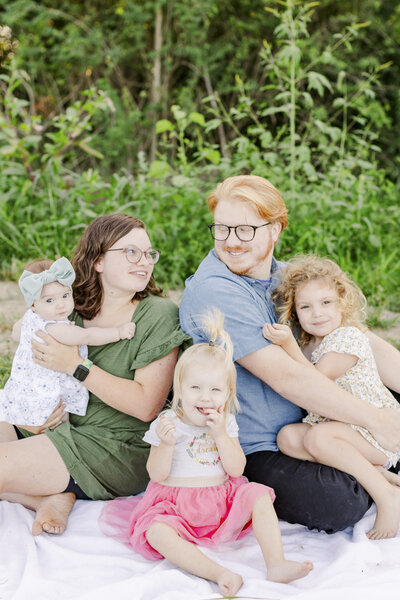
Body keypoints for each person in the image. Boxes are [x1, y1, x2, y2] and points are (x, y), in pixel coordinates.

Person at [179, 174, 400, 533]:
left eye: (245, 230)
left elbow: (355, 338)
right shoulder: (214, 292)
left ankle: (371, 459)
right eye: (222, 229)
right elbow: (288, 379)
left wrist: (386, 416)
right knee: (338, 502)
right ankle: (374, 469)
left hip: (323, 419)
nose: (232, 242)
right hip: (263, 445)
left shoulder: (288, 279)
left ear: (276, 229)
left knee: (381, 383)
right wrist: (377, 420)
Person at [100, 311, 313, 596]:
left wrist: (222, 435)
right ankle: (218, 573)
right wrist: (165, 444)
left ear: (227, 394)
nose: (205, 397)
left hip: (220, 502)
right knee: (156, 531)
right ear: (180, 390)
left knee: (259, 495)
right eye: (195, 388)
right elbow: (156, 475)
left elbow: (236, 470)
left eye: (215, 389)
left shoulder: (226, 423)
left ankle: (276, 563)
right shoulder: (167, 424)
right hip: (176, 506)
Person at [0, 214, 188, 536]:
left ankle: (54, 488)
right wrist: (30, 418)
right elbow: (27, 362)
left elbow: (147, 406)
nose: (144, 261)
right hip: (52, 428)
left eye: (149, 254)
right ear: (98, 260)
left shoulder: (158, 314)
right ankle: (48, 495)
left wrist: (77, 365)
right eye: (131, 252)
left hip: (109, 447)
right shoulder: (69, 306)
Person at [262, 254, 400, 540]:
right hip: (342, 430)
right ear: (294, 311)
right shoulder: (310, 344)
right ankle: (375, 473)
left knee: (318, 439)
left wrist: (286, 345)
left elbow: (314, 381)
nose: (317, 313)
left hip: (372, 433)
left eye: (326, 303)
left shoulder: (346, 338)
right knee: (287, 437)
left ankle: (386, 495)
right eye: (306, 307)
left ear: (342, 300)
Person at [1, 256, 135, 426]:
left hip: (24, 390)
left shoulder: (29, 318)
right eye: (49, 300)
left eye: (65, 295)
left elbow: (15, 333)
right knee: (60, 420)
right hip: (46, 396)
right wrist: (118, 332)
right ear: (33, 305)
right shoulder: (54, 328)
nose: (60, 305)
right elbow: (87, 336)